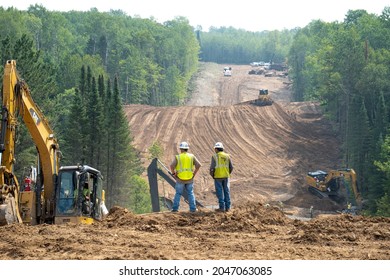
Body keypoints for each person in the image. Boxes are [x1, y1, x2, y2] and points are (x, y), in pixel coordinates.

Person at [170, 141, 201, 212]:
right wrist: (194, 174)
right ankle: (193, 209)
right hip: (190, 178)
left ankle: (175, 209)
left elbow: (171, 166)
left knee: (178, 193)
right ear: (187, 149)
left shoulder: (178, 157)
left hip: (180, 179)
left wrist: (173, 173)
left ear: (181, 149)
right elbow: (198, 165)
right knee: (190, 193)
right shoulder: (191, 156)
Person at [210, 142, 234, 212]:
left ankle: (222, 208)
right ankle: (228, 208)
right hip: (226, 177)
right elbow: (231, 167)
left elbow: (212, 168)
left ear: (216, 149)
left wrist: (213, 176)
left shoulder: (214, 156)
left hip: (217, 177)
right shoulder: (227, 156)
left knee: (220, 192)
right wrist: (227, 173)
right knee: (227, 191)